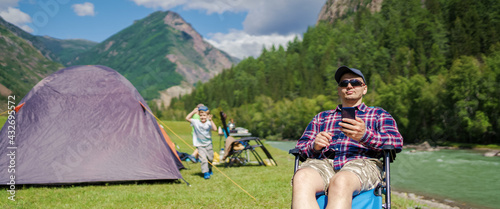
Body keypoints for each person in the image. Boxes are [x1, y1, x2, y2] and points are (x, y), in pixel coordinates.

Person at [291, 66, 403, 209]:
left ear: (364, 89)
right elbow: (300, 148)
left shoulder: (378, 114)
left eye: (355, 83)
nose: (349, 86)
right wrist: (315, 145)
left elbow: (396, 142)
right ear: (339, 90)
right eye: (344, 83)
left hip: (363, 163)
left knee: (341, 180)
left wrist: (365, 135)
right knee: (301, 177)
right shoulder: (322, 117)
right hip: (325, 164)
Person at [186, 105, 217, 179]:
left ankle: (210, 168)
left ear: (207, 116)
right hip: (200, 145)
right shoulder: (196, 122)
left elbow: (215, 129)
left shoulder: (209, 123)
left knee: (210, 158)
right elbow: (187, 118)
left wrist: (211, 120)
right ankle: (205, 173)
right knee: (203, 159)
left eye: (204, 115)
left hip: (208, 144)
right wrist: (193, 112)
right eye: (201, 115)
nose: (202, 117)